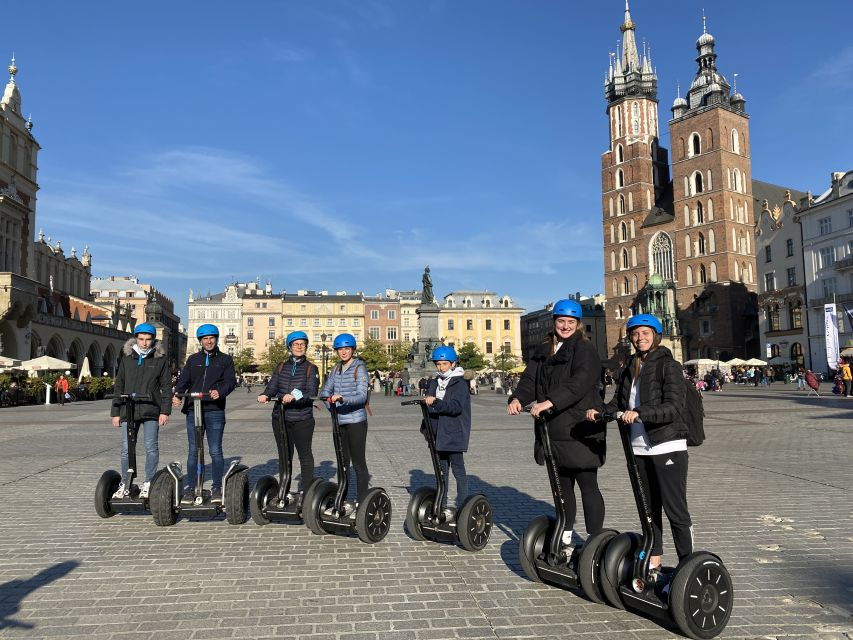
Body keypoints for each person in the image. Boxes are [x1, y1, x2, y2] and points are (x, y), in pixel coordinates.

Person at [587, 313, 693, 573]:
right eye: (635, 334)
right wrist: (598, 411)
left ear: (655, 335)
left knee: (674, 509)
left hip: (667, 445)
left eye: (645, 333)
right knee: (648, 507)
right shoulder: (630, 367)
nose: (640, 338)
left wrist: (642, 412)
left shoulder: (669, 366)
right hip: (638, 446)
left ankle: (688, 564)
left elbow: (674, 407)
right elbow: (619, 404)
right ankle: (654, 560)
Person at [508, 299, 606, 548]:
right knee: (562, 487)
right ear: (554, 322)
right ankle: (565, 535)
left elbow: (580, 382)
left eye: (570, 322)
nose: (565, 326)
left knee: (587, 484)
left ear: (578, 324)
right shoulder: (544, 349)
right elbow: (530, 379)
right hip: (552, 428)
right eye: (561, 321)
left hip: (579, 427)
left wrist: (550, 401)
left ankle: (596, 542)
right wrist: (518, 397)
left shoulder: (585, 349)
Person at [173, 324, 237, 503]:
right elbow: (184, 380)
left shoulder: (225, 360)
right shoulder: (193, 359)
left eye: (211, 338)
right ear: (200, 341)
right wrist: (178, 395)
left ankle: (217, 487)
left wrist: (220, 391)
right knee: (194, 450)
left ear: (216, 339)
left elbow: (230, 382)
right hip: (194, 409)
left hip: (214, 410)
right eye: (205, 339)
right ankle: (191, 487)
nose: (208, 341)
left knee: (215, 450)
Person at [109, 323, 171, 498]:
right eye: (141, 339)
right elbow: (119, 384)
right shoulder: (127, 357)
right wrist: (115, 412)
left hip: (151, 409)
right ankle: (126, 482)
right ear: (136, 338)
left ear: (153, 340)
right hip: (128, 409)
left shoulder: (160, 359)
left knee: (151, 447)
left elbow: (166, 386)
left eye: (148, 339)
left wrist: (165, 411)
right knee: (126, 448)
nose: (144, 343)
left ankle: (149, 482)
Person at [257, 331, 319, 491]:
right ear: (289, 347)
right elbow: (273, 386)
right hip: (280, 418)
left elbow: (312, 392)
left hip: (302, 419)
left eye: (302, 344)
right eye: (296, 344)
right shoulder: (281, 366)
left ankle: (307, 491)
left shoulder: (311, 368)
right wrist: (265, 394)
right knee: (285, 456)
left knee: (305, 456)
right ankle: (284, 490)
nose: (299, 347)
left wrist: (294, 396)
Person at [320, 333, 371, 507]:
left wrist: (343, 399)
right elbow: (325, 393)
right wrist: (331, 408)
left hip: (356, 421)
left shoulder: (359, 368)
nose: (343, 352)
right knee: (342, 462)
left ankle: (362, 501)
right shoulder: (335, 369)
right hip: (339, 421)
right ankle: (344, 498)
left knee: (358, 462)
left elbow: (362, 396)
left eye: (347, 349)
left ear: (353, 350)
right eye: (340, 349)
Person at [423, 346, 471, 518]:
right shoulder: (435, 382)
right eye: (438, 364)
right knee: (441, 471)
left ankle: (463, 506)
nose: (441, 367)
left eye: (444, 364)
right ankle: (440, 505)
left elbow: (456, 407)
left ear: (453, 363)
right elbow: (429, 403)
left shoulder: (460, 383)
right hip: (437, 432)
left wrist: (436, 402)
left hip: (454, 432)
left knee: (458, 470)